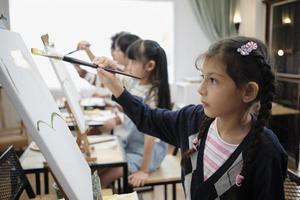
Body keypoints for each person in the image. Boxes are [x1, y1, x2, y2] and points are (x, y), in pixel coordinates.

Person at [95, 36, 288, 200]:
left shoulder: (266, 151)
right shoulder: (192, 120)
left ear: (248, 91)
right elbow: (148, 118)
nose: (200, 89)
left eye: (213, 80)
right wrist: (114, 85)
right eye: (202, 77)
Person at [95, 39, 171, 188]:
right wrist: (105, 68)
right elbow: (114, 83)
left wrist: (143, 170)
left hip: (146, 154)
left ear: (149, 66)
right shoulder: (136, 83)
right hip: (130, 145)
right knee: (101, 169)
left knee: (106, 176)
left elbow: (151, 137)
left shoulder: (154, 93)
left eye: (133, 62)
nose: (128, 67)